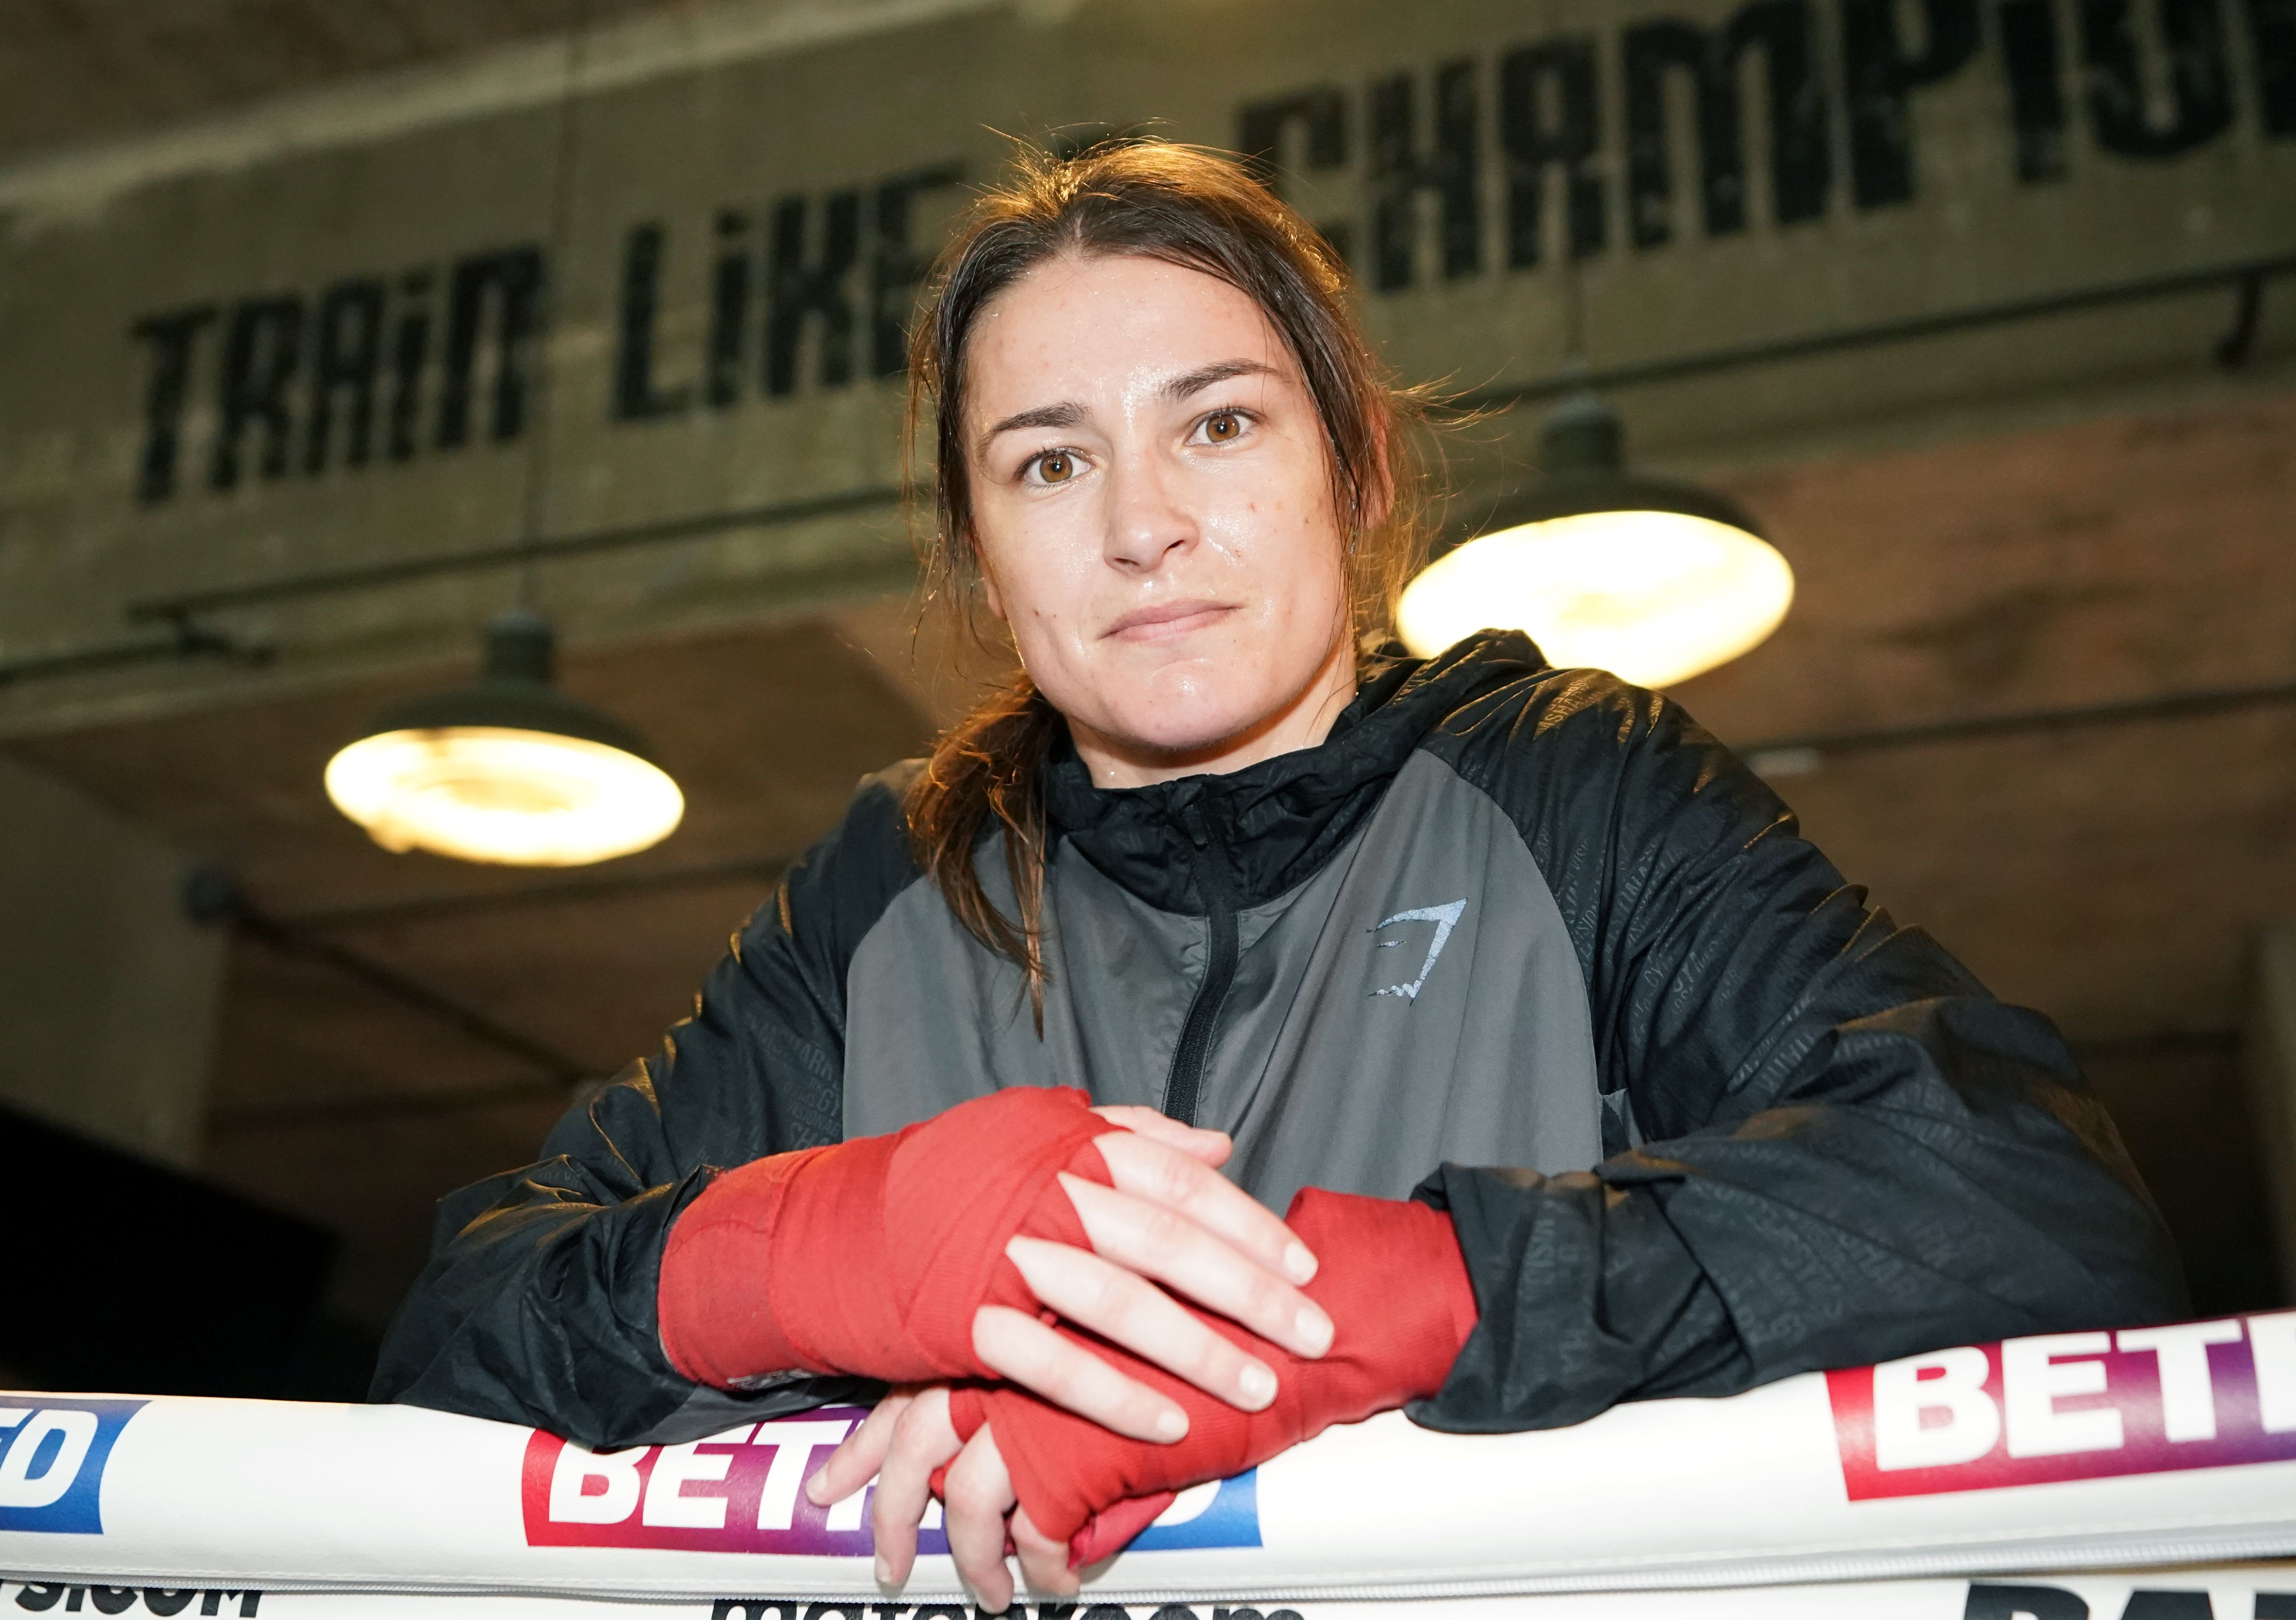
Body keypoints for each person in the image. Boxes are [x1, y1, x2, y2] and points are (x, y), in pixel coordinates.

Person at [373, 142, 2185, 1608]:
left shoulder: (1570, 788)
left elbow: (2030, 1201)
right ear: (987, 559)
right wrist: (811, 1253)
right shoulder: (890, 880)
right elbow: (459, 1323)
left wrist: (1346, 1315)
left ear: (1355, 468)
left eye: (1219, 424)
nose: (1140, 519)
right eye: (1046, 460)